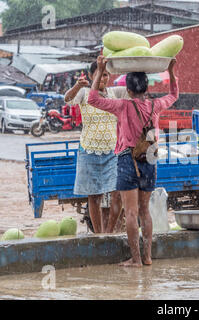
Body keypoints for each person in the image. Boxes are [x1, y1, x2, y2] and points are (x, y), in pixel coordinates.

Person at [88, 56, 178, 267]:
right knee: (144, 210)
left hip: (128, 160)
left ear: (128, 90)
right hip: (150, 159)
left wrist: (100, 70)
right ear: (146, 88)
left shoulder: (122, 106)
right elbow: (174, 94)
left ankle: (135, 259)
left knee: (131, 212)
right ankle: (147, 257)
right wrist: (172, 72)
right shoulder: (156, 104)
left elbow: (92, 98)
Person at [64, 61, 126, 234]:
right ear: (91, 76)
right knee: (94, 195)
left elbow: (135, 92)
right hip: (89, 150)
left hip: (113, 151)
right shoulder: (84, 93)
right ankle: (99, 234)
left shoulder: (115, 93)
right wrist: (77, 85)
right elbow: (67, 99)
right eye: (100, 74)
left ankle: (110, 232)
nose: (103, 78)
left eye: (106, 74)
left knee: (117, 192)